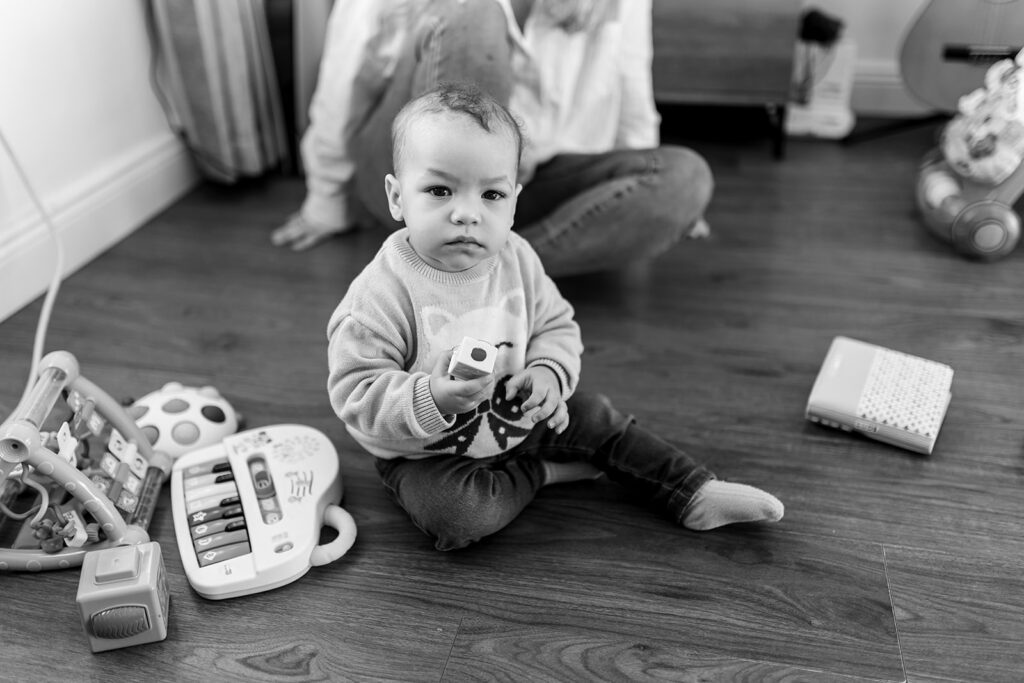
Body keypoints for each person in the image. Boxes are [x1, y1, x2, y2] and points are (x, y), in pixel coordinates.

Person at [326, 83, 782, 551]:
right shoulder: (379, 295)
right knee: (458, 515)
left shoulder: (517, 257)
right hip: (426, 452)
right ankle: (540, 471)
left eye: (492, 195)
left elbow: (555, 324)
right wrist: (433, 397)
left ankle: (692, 491)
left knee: (598, 418)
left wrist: (547, 372)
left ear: (515, 200)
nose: (467, 213)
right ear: (397, 197)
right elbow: (354, 393)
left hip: (517, 410)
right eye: (440, 190)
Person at [273, 0, 713, 277]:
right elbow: (346, 77)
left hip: (524, 185)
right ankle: (457, 258)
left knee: (686, 178)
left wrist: (662, 203)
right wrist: (327, 199)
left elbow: (632, 79)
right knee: (471, 13)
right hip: (408, 171)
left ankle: (491, 276)